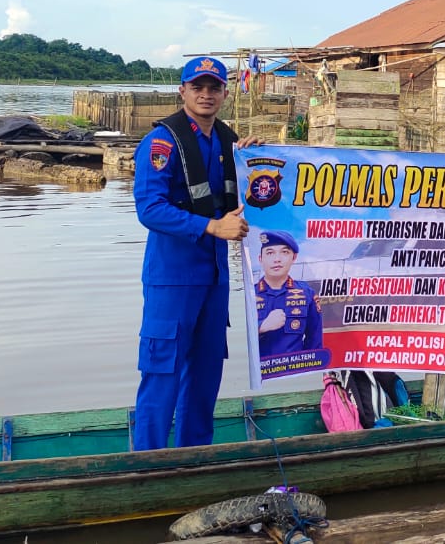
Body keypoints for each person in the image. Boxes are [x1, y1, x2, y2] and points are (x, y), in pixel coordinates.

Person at [131, 56, 259, 450]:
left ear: (225, 93)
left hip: (214, 279)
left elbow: (238, 200)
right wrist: (211, 227)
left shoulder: (226, 141)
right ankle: (147, 464)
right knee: (163, 372)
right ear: (182, 91)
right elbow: (149, 209)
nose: (206, 94)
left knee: (205, 374)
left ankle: (195, 458)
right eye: (198, 87)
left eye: (214, 87)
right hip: (173, 277)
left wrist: (252, 164)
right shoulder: (161, 143)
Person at [253, 230, 322, 358]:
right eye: (270, 253)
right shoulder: (248, 296)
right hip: (257, 373)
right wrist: (260, 327)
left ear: (294, 257)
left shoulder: (307, 293)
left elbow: (315, 340)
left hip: (294, 372)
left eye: (284, 252)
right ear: (260, 259)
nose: (277, 259)